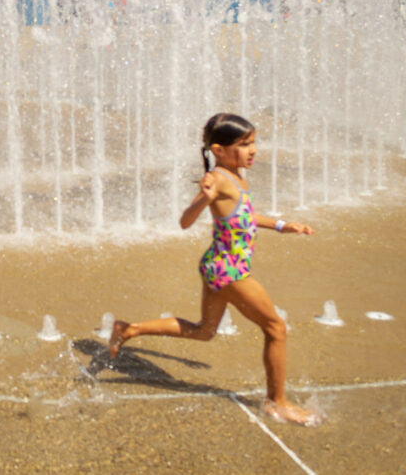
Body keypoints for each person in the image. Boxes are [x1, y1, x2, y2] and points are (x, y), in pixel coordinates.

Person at [108, 113, 321, 426]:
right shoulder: (219, 179)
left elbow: (244, 215)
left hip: (216, 264)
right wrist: (202, 201)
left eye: (253, 142)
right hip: (229, 269)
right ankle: (278, 403)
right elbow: (184, 221)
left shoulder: (236, 176)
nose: (254, 150)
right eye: (245, 144)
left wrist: (281, 225)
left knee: (205, 331)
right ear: (219, 149)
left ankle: (129, 329)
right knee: (276, 328)